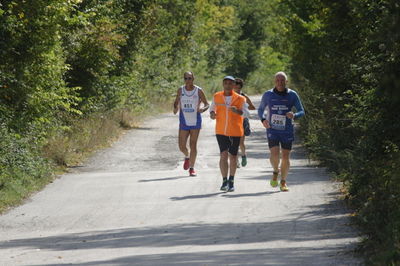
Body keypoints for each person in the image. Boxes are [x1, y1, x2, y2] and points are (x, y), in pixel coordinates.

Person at [257, 71, 305, 192]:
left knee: (285, 156)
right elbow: (261, 109)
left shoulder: (292, 95)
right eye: (277, 80)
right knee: (274, 154)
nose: (280, 82)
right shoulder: (268, 94)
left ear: (286, 82)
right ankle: (275, 171)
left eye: (282, 80)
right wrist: (263, 120)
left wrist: (294, 115)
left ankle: (283, 182)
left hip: (287, 130)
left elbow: (301, 111)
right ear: (275, 81)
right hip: (272, 129)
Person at [210, 76, 249, 192]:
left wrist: (237, 111)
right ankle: (224, 181)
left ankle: (231, 181)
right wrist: (212, 114)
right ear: (223, 84)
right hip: (221, 131)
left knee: (233, 156)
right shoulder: (217, 96)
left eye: (230, 83)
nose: (227, 85)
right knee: (223, 155)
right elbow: (212, 109)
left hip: (235, 131)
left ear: (233, 85)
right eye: (225, 83)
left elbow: (246, 114)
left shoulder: (240, 99)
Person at [173, 71, 209, 176]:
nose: (188, 80)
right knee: (181, 146)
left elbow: (207, 104)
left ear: (193, 79)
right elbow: (176, 102)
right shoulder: (180, 90)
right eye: (186, 78)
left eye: (190, 78)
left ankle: (192, 168)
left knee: (193, 144)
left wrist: (203, 108)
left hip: (195, 120)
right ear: (184, 79)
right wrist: (175, 107)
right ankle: (187, 156)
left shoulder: (198, 90)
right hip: (184, 120)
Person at [233, 78, 256, 167]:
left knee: (240, 142)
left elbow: (252, 107)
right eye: (235, 88)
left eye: (238, 88)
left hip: (242, 121)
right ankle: (236, 161)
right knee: (233, 143)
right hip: (232, 121)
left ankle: (243, 156)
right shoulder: (229, 96)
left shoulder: (244, 96)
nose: (236, 90)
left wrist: (244, 108)